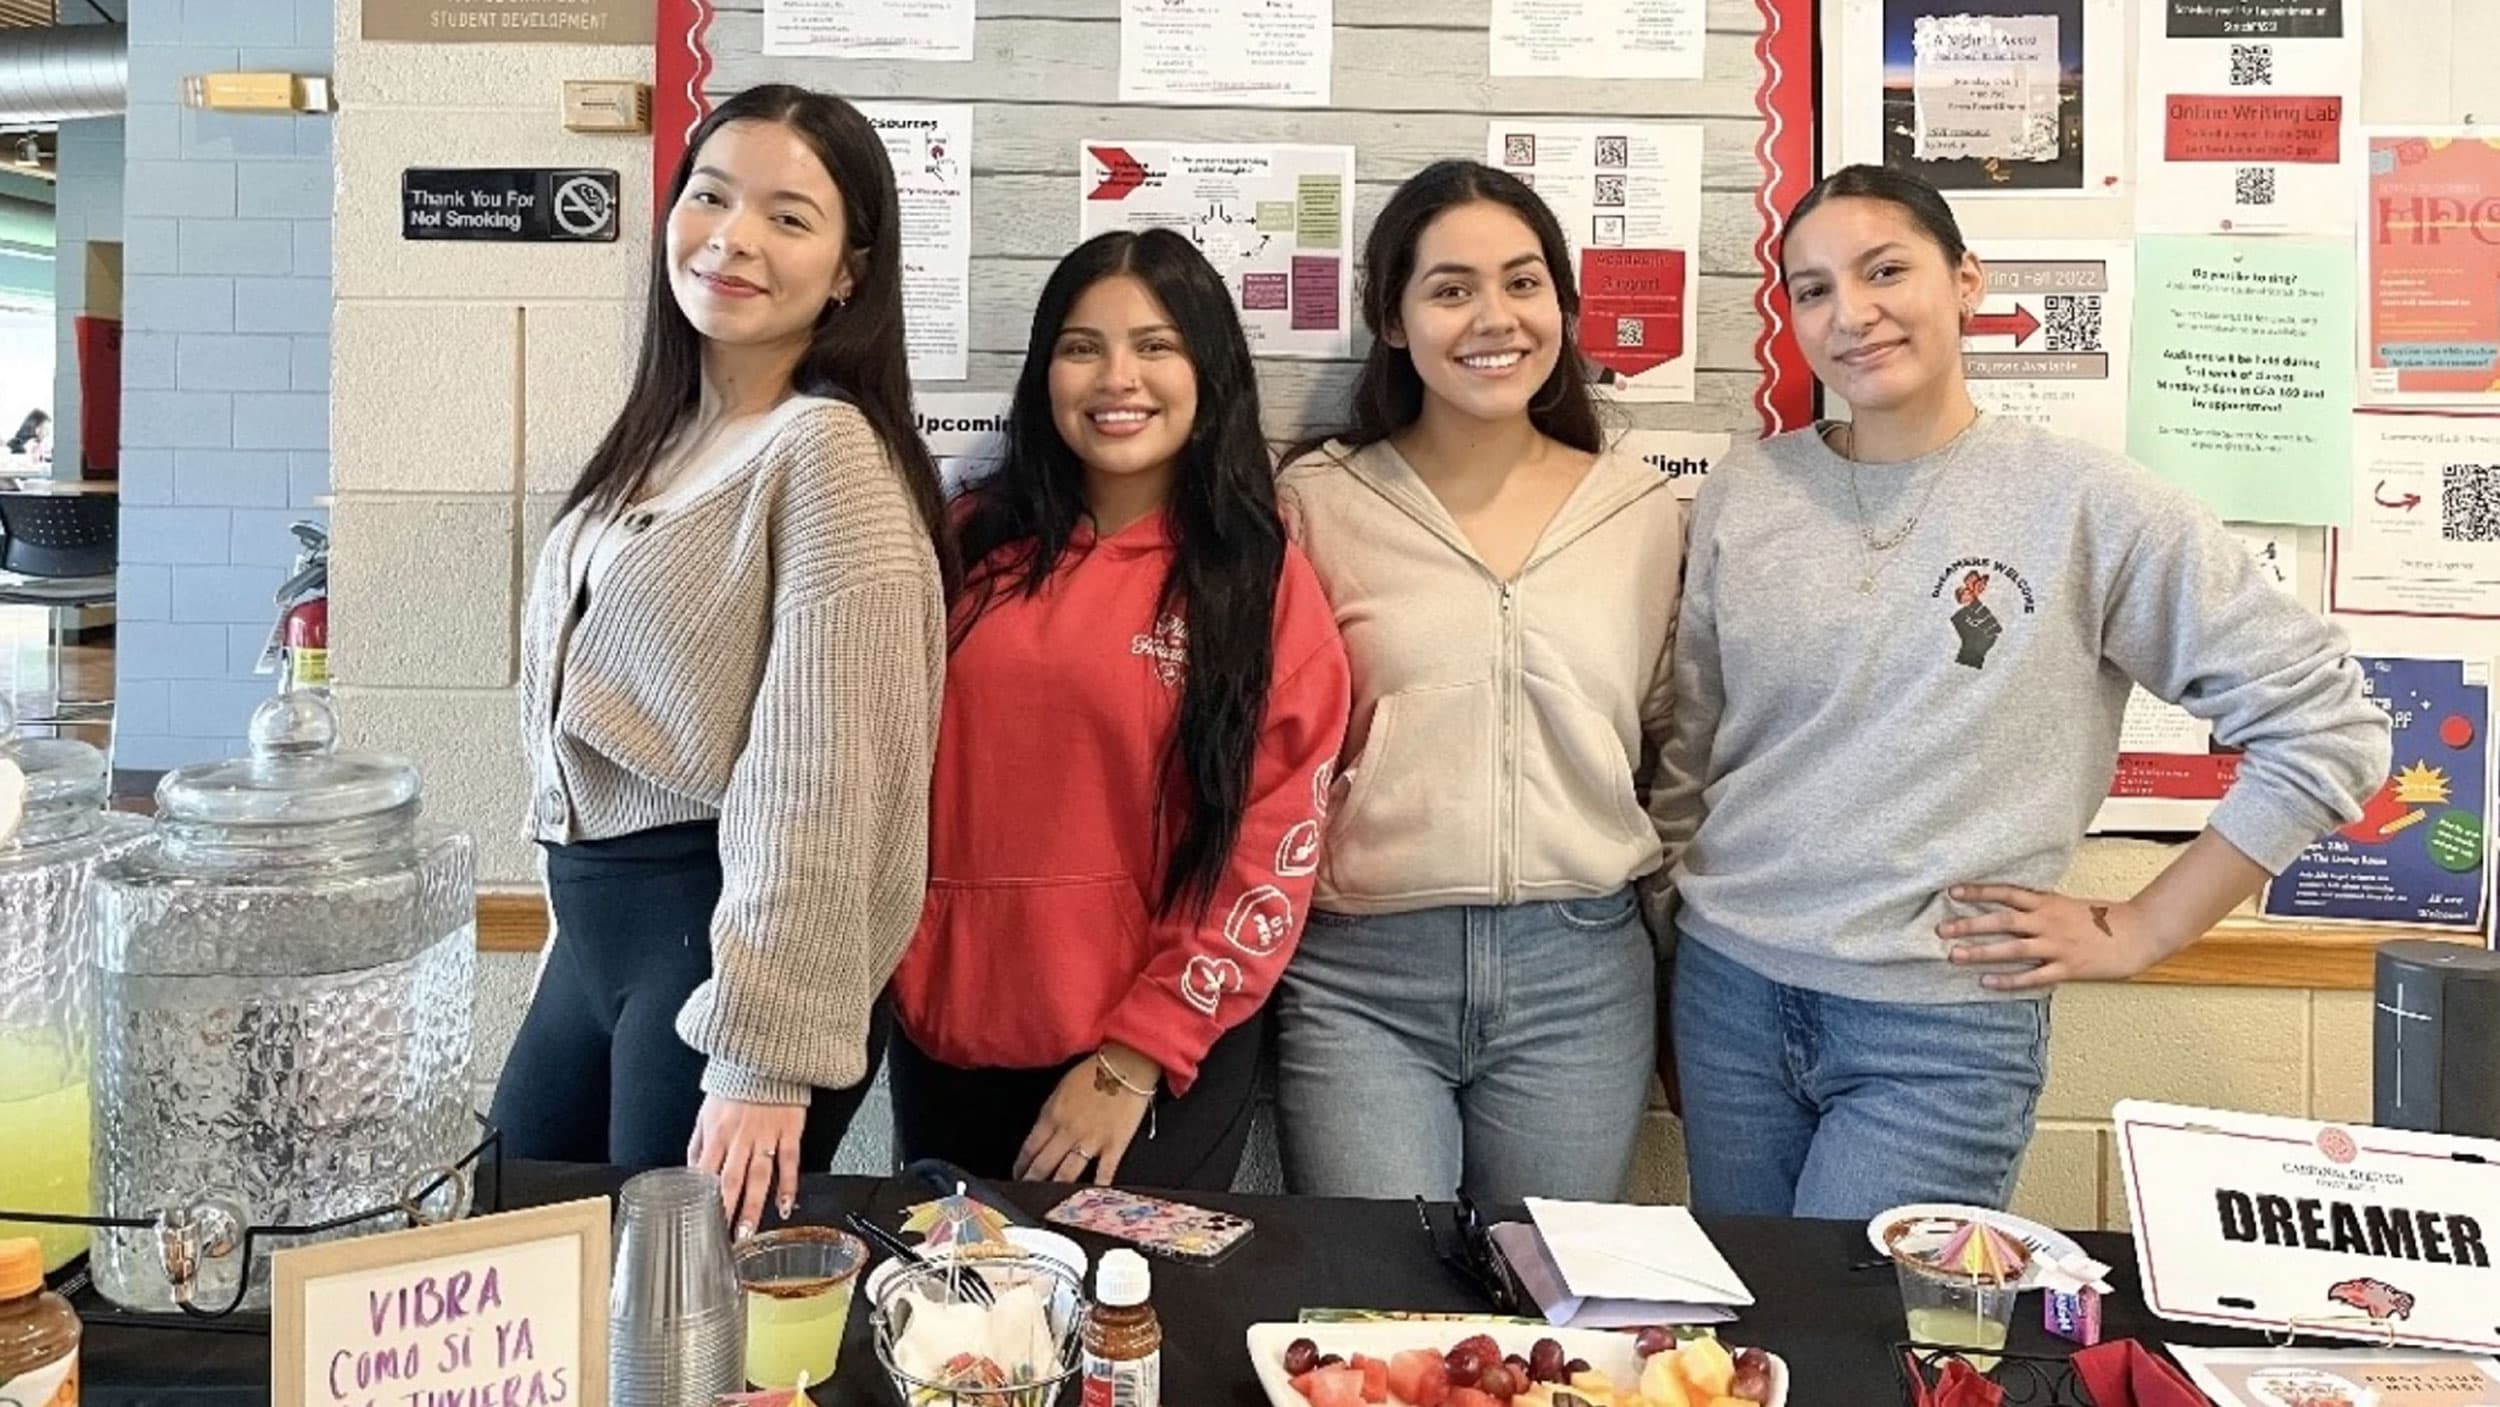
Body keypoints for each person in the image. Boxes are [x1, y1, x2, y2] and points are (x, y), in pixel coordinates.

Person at [1659, 164, 2391, 1220]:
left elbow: (2328, 728)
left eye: (1884, 271)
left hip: (1940, 1026)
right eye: (1813, 289)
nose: (1850, 313)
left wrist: (2144, 927)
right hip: (1727, 997)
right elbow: (1693, 744)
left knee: (1873, 1321)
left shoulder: (2088, 505)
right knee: (1749, 1316)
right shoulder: (1746, 491)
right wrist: (1668, 952)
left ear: (1966, 282)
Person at [496, 84, 954, 1239]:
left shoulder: (828, 453)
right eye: (709, 197)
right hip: (593, 940)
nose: (732, 237)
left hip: (722, 949)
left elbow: (823, 782)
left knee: (672, 1303)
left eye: (788, 217)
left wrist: (764, 1055)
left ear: (848, 271)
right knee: (521, 1250)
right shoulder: (656, 438)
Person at [888, 229, 1350, 1191]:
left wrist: (1136, 1054)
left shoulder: (1255, 583)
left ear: (1208, 370)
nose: (1117, 378)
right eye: (1082, 346)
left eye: (1155, 345)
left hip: (1154, 1059)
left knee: (1130, 1289)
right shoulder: (965, 547)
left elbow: (1271, 843)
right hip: (947, 1036)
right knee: (953, 1289)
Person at [1271, 160, 1683, 1202]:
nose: (1494, 318)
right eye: (1451, 289)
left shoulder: (1639, 511)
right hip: (1361, 977)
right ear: (1392, 319)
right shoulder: (1319, 503)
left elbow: (1677, 749)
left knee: (1541, 1286)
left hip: (1578, 975)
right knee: (1375, 1285)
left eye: (1522, 282)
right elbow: (1272, 749)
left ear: (1563, 307)